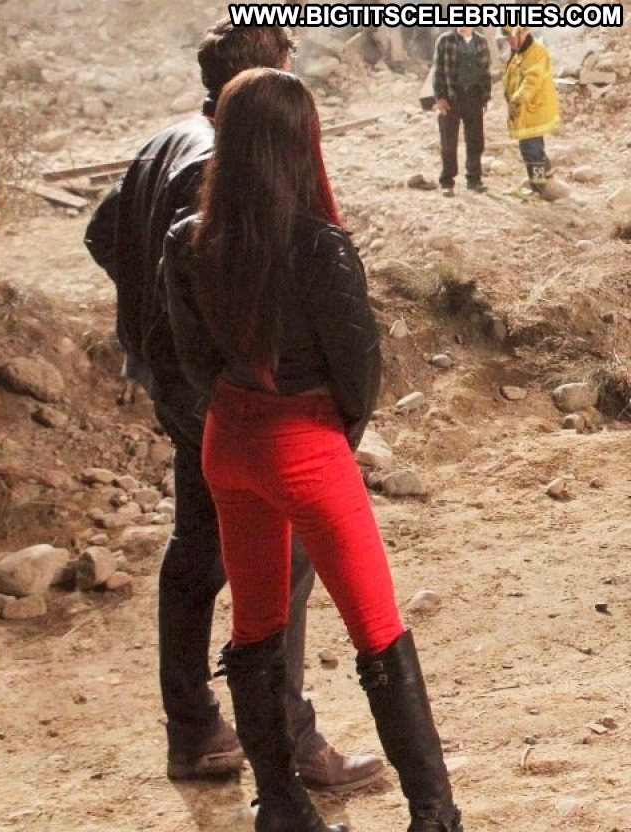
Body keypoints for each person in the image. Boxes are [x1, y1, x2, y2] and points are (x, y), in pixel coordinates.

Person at [83, 19, 383, 793]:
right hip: (221, 392)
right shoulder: (223, 168)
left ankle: (194, 734)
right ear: (262, 84)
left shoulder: (167, 140)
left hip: (180, 381)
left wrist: (148, 314)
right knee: (284, 558)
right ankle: (292, 742)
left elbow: (102, 231)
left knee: (194, 552)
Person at [163, 67, 463, 832]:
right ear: (299, 142)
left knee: (255, 629)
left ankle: (281, 806)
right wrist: (330, 437)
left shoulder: (188, 240)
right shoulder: (320, 246)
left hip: (228, 444)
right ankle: (435, 816)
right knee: (378, 629)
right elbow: (358, 372)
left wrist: (243, 408)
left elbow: (193, 361)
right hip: (304, 446)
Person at [432, 26, 491, 197]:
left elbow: (485, 72)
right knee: (448, 141)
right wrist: (440, 97)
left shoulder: (481, 42)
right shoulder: (445, 41)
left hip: (473, 96)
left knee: (475, 140)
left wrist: (485, 97)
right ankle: (447, 181)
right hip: (451, 96)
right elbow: (438, 71)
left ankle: (474, 179)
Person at [502, 24, 560, 198]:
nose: (509, 41)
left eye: (512, 36)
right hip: (526, 111)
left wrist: (517, 99)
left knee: (531, 149)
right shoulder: (519, 52)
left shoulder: (536, 52)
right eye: (507, 37)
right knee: (534, 147)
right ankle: (545, 178)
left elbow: (532, 81)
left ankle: (538, 188)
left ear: (523, 33)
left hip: (533, 110)